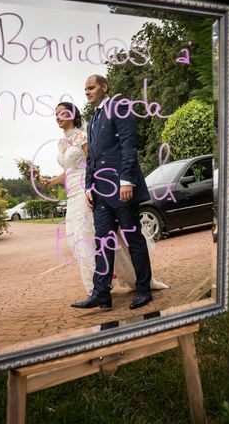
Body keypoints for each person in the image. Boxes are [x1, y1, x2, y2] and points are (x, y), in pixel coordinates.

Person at [42, 101, 167, 297]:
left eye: (61, 113)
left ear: (72, 114)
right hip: (73, 194)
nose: (57, 117)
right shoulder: (62, 142)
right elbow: (69, 171)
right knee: (81, 237)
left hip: (89, 191)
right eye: (55, 114)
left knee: (97, 237)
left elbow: (91, 162)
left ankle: (111, 285)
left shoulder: (82, 135)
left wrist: (93, 187)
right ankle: (99, 289)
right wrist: (50, 181)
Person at [72, 75, 155, 311]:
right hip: (100, 193)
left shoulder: (119, 107)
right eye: (85, 89)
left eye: (91, 87)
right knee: (103, 242)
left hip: (121, 189)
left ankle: (143, 290)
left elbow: (129, 145)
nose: (87, 92)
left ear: (104, 87)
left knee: (133, 240)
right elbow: (93, 158)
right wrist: (89, 186)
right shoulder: (94, 119)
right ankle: (101, 293)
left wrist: (127, 180)